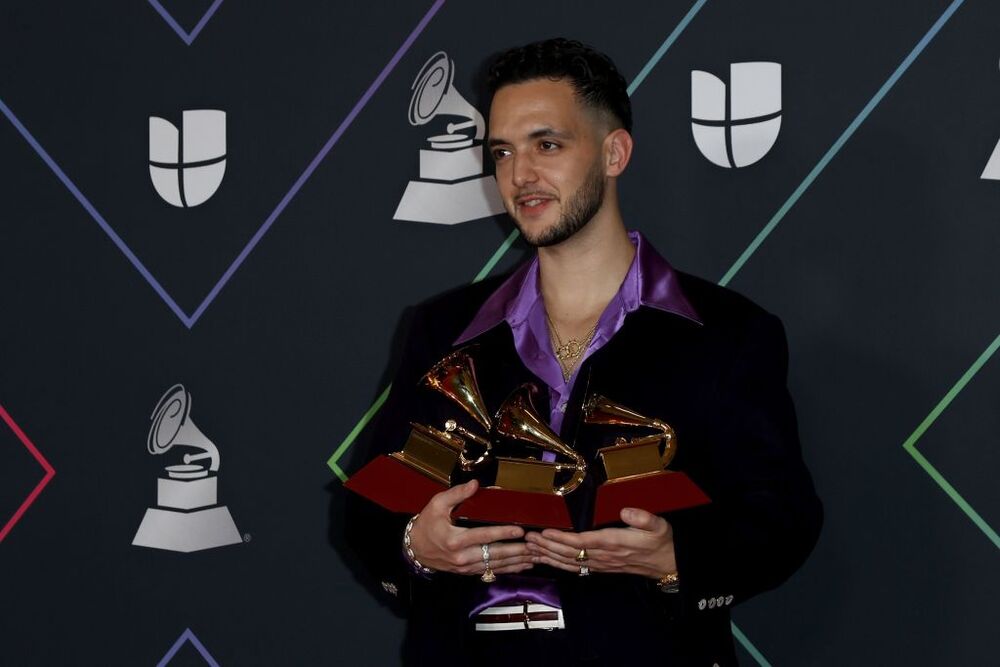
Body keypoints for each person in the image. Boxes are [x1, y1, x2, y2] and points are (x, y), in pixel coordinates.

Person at [344, 38, 822, 666]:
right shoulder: (441, 329)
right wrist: (414, 544)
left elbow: (781, 518)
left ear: (613, 152)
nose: (520, 176)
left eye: (548, 145)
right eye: (503, 152)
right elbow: (368, 508)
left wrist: (678, 556)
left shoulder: (728, 334)